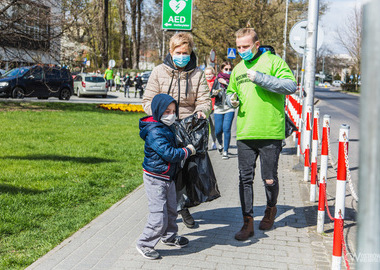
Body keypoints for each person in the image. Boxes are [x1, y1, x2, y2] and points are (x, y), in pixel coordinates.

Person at [226, 28, 297, 241]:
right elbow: (231, 91)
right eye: (239, 47)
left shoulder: (273, 61)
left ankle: (271, 208)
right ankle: (247, 222)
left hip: (270, 131)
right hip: (245, 132)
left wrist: (261, 78)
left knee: (269, 179)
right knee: (244, 179)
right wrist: (231, 99)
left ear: (257, 44)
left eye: (246, 46)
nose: (242, 51)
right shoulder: (237, 68)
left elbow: (290, 86)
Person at [142, 32, 211, 228]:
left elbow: (204, 100)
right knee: (169, 169)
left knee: (187, 171)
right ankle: (174, 207)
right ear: (171, 52)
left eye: (186, 52)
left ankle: (182, 204)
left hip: (189, 127)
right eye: (178, 52)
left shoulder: (197, 74)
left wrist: (201, 112)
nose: (182, 56)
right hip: (165, 127)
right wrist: (161, 116)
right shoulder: (158, 72)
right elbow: (148, 101)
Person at [137, 93, 196, 260]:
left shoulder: (166, 126)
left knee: (171, 209)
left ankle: (169, 237)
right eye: (166, 112)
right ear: (157, 111)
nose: (171, 115)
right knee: (158, 214)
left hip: (167, 176)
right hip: (155, 177)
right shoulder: (155, 131)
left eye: (173, 111)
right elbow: (169, 154)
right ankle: (145, 243)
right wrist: (187, 151)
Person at [214, 61, 235, 159]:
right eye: (226, 69)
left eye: (230, 69)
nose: (228, 71)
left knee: (226, 129)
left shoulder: (233, 80)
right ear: (221, 69)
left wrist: (226, 83)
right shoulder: (217, 80)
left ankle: (226, 151)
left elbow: (236, 91)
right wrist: (214, 93)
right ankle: (220, 143)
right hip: (218, 107)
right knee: (218, 130)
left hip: (229, 107)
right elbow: (211, 93)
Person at [204, 66, 219, 150]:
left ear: (213, 74)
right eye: (207, 74)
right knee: (205, 127)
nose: (208, 76)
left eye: (210, 74)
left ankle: (214, 142)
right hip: (206, 108)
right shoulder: (203, 82)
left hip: (214, 108)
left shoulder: (216, 82)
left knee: (213, 127)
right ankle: (205, 144)